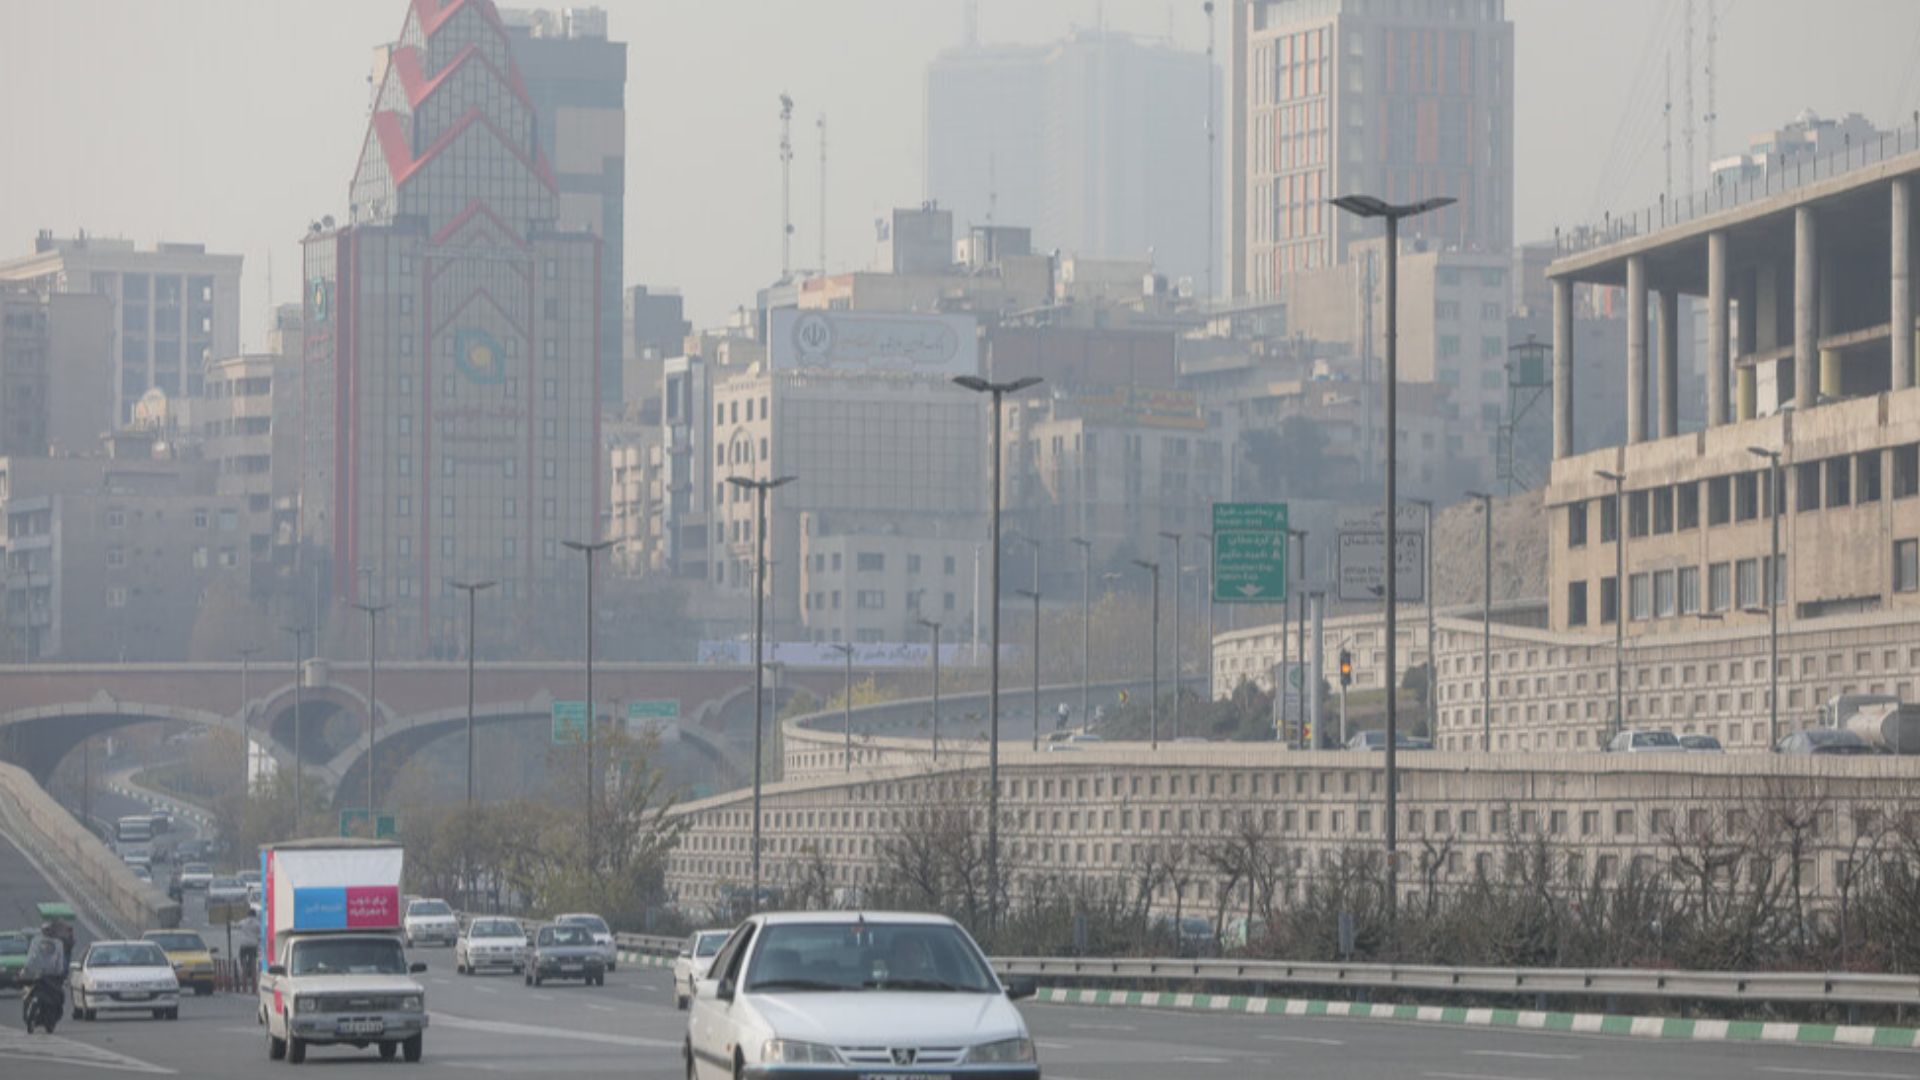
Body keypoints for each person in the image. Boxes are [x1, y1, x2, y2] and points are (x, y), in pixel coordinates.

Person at [21, 929, 66, 1033]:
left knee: (57, 995)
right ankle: (30, 1016)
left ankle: (51, 1018)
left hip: (50, 978)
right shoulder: (37, 948)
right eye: (44, 946)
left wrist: (59, 972)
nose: (45, 947)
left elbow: (59, 964)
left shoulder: (57, 947)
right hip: (37, 977)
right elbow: (31, 959)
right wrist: (25, 969)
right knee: (27, 992)